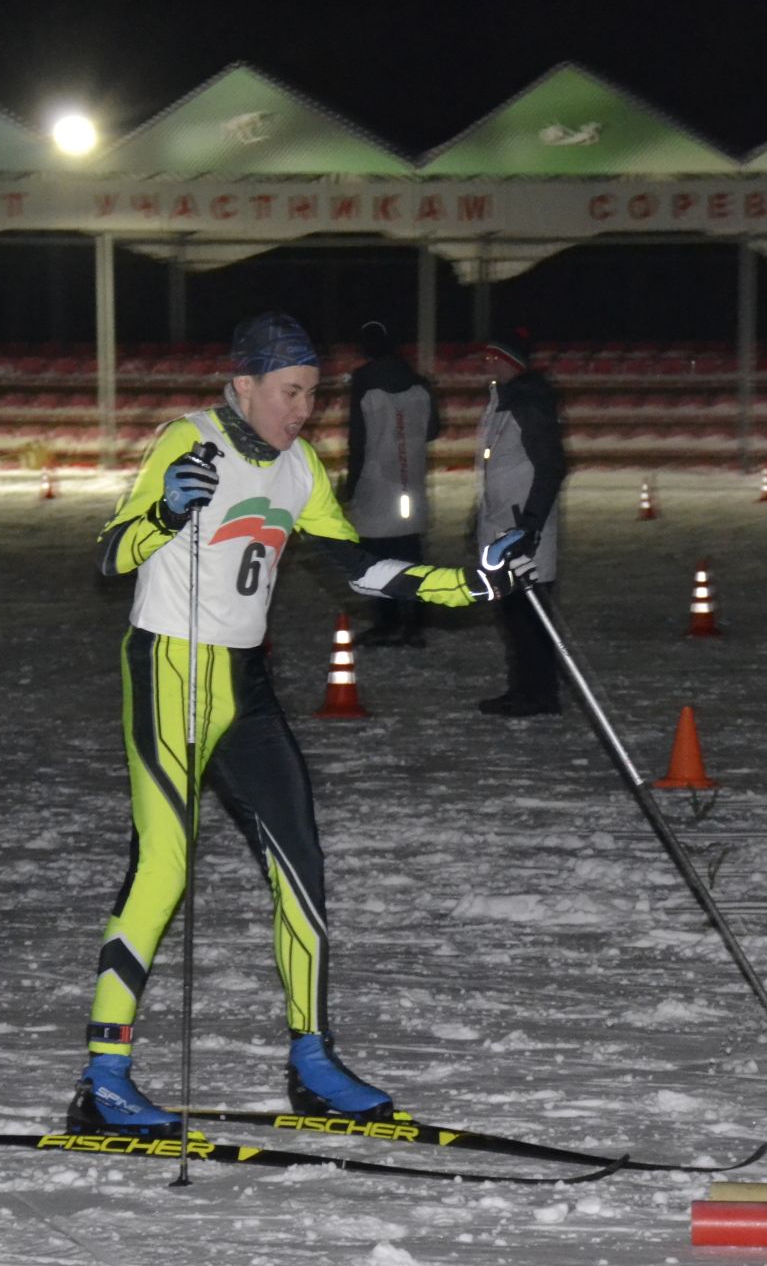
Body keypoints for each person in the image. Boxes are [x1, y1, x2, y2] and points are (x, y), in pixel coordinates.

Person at [74, 310, 528, 1135]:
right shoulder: (187, 441)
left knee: (301, 861)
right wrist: (166, 514)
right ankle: (104, 1076)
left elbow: (360, 567)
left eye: (312, 395)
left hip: (244, 685)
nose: (302, 411)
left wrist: (473, 585)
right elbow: (111, 555)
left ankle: (312, 1059)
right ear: (243, 385)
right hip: (169, 671)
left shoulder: (298, 468)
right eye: (289, 393)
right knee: (164, 869)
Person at [473, 328, 566, 717]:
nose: (487, 363)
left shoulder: (528, 405)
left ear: (510, 361)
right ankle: (524, 688)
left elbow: (550, 467)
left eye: (494, 357)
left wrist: (529, 525)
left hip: (523, 530)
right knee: (513, 614)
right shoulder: (502, 403)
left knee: (529, 617)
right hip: (502, 526)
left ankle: (538, 694)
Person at [340, 321, 439, 646]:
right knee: (410, 554)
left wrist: (351, 486)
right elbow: (433, 429)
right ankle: (415, 623)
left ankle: (387, 621)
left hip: (374, 484)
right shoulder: (419, 384)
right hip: (409, 483)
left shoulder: (364, 383)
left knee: (377, 556)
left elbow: (359, 440)